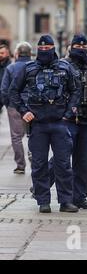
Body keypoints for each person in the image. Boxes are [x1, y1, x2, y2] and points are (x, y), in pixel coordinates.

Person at [9, 35, 80, 214]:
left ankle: (66, 201)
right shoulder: (29, 69)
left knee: (63, 164)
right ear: (37, 50)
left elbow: (76, 90)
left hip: (59, 123)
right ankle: (43, 201)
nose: (45, 51)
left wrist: (69, 112)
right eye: (41, 48)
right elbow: (13, 91)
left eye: (48, 48)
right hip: (38, 125)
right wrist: (24, 111)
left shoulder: (65, 67)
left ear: (53, 48)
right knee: (39, 164)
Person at [56, 35, 87, 210]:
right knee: (62, 159)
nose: (81, 48)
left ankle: (80, 197)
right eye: (78, 45)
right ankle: (41, 186)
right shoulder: (63, 65)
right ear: (70, 46)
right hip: (69, 120)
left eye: (84, 45)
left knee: (83, 161)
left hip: (86, 119)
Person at [1, 42, 32, 175]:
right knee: (33, 134)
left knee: (16, 137)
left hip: (14, 106)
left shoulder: (11, 68)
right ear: (30, 54)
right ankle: (34, 159)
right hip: (31, 106)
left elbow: (4, 89)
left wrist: (8, 104)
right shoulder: (34, 67)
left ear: (17, 54)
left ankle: (20, 165)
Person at [0, 42, 12, 113]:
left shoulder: (11, 67)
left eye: (2, 53)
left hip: (7, 103)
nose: (0, 55)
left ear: (7, 54)